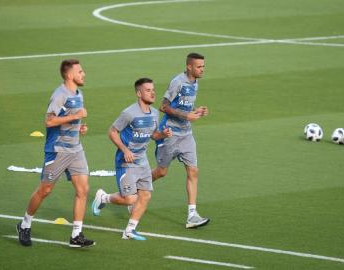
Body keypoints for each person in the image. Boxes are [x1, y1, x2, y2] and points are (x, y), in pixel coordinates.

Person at [16, 59, 94, 248]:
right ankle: (25, 224)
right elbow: (49, 122)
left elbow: (69, 121)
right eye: (80, 71)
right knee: (45, 190)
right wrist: (76, 116)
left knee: (83, 190)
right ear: (70, 75)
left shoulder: (78, 93)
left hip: (76, 149)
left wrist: (79, 127)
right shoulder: (60, 95)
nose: (84, 74)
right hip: (57, 150)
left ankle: (76, 235)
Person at [91, 78, 172, 240]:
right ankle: (103, 197)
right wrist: (125, 149)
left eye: (153, 89)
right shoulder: (129, 113)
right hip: (125, 161)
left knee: (145, 195)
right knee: (130, 199)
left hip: (142, 161)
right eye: (148, 90)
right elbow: (112, 132)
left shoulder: (155, 113)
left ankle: (129, 230)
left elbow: (153, 135)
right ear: (138, 93)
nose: (153, 92)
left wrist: (162, 134)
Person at [152, 53, 210, 229]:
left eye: (203, 66)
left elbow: (184, 105)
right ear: (189, 67)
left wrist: (196, 110)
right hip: (170, 133)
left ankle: (192, 215)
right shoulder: (178, 82)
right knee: (161, 172)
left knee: (193, 171)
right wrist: (186, 115)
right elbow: (163, 106)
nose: (202, 69)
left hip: (186, 134)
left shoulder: (195, 83)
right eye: (199, 66)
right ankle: (135, 190)